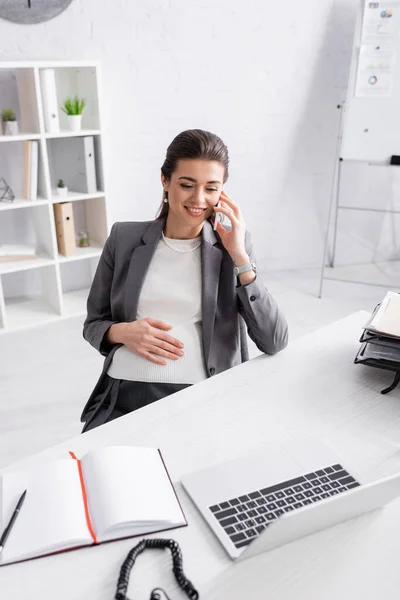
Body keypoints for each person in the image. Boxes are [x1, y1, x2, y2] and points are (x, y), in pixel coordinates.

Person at [81, 129, 288, 432]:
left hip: (200, 395)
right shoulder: (123, 239)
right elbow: (93, 324)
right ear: (165, 181)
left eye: (211, 188)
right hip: (123, 394)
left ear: (223, 192)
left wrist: (241, 257)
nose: (199, 199)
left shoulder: (234, 247)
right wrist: (122, 332)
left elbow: (275, 341)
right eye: (187, 185)